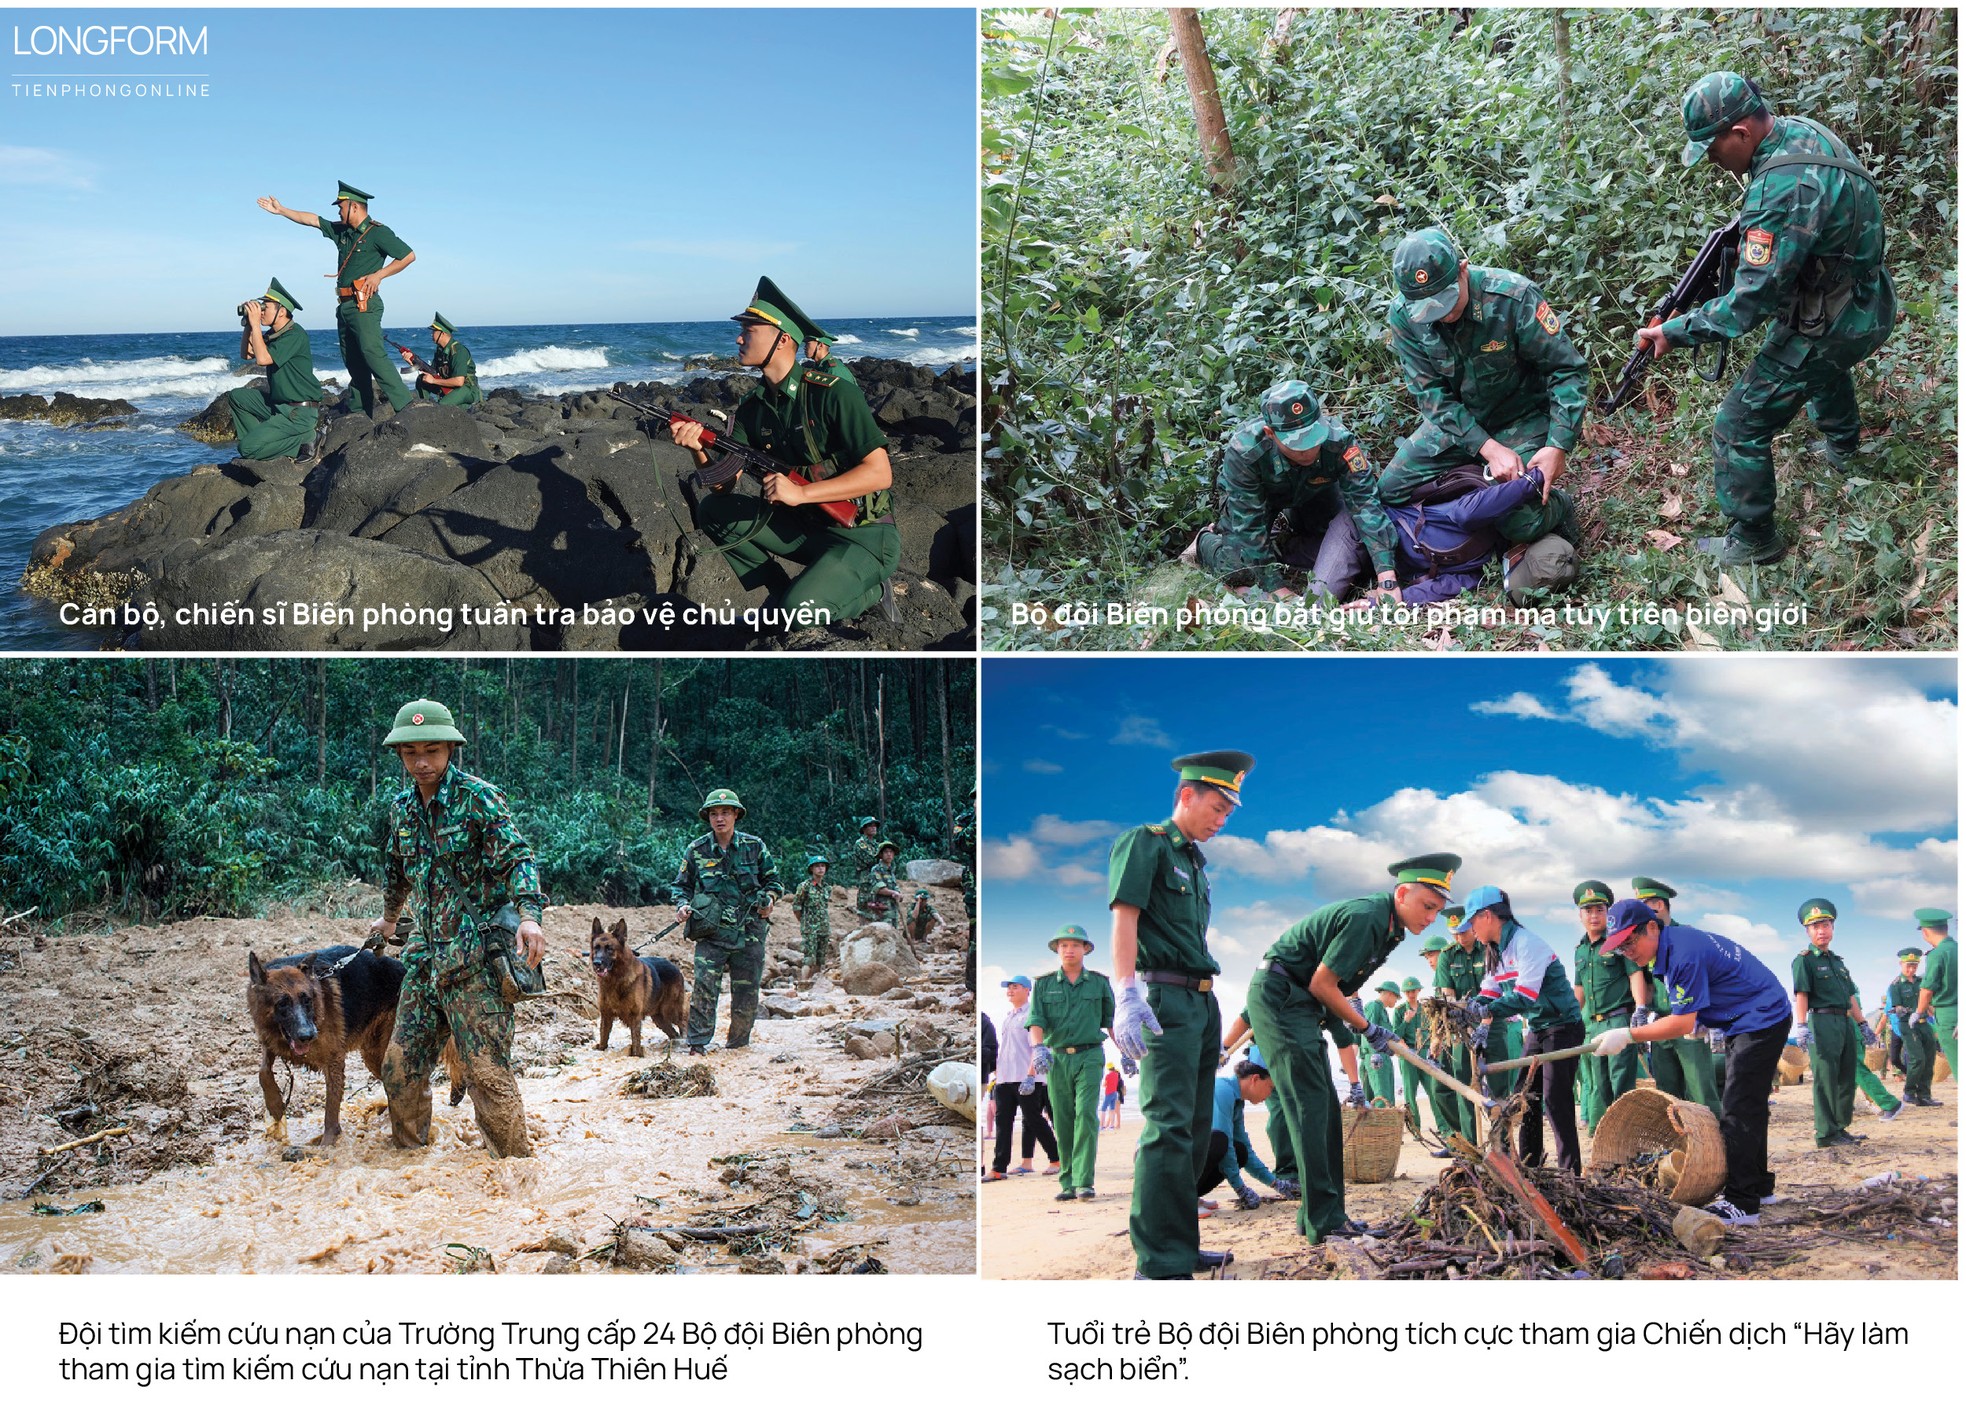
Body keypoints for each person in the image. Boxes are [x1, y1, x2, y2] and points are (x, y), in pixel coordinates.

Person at [1633, 72, 1895, 565]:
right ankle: (1844, 447)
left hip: (1836, 320)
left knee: (1738, 423)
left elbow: (1746, 307)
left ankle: (1754, 541)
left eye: (1712, 150)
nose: (1713, 163)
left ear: (1741, 134)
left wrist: (1673, 330)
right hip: (1866, 299)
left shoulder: (1777, 190)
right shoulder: (1802, 132)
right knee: (1814, 358)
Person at [1247, 853, 1460, 1245]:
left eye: (1437, 910)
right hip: (1284, 998)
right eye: (1427, 906)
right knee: (1311, 1108)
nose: (1431, 918)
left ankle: (1323, 1216)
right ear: (1401, 893)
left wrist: (1357, 1019)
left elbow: (1338, 987)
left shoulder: (1391, 928)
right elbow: (1323, 984)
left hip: (1301, 1002)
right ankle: (1324, 1223)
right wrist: (1369, 1027)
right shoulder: (1368, 918)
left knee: (1324, 1109)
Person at [666, 277, 899, 625]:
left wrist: (802, 493)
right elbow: (723, 486)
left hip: (863, 535)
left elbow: (880, 473)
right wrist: (698, 449)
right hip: (807, 529)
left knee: (799, 612)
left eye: (751, 329)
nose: (739, 337)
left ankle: (874, 592)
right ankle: (779, 593)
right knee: (715, 510)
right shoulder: (752, 408)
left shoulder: (833, 394)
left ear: (784, 339)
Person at [370, 698, 545, 1158]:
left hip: (475, 964)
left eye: (431, 750)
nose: (421, 762)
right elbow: (398, 871)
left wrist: (529, 915)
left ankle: (514, 1175)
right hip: (426, 961)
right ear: (400, 756)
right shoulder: (401, 810)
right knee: (399, 1067)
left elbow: (518, 858)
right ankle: (411, 1165)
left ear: (450, 749)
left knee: (487, 1074)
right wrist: (390, 918)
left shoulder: (478, 798)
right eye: (411, 753)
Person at [1109, 750, 1253, 1279]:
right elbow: (1126, 918)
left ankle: (1181, 1243)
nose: (1220, 821)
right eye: (1215, 808)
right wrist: (1126, 993)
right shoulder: (1145, 843)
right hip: (1163, 998)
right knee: (1167, 1128)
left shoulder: (1195, 864)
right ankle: (1157, 1262)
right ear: (1185, 795)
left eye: (1228, 815)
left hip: (1201, 1001)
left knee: (1193, 1131)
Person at [1378, 227, 1583, 554]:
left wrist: (1559, 444)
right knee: (1389, 491)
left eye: (1444, 301)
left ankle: (1558, 505)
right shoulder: (1404, 315)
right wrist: (1486, 448)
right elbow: (1431, 396)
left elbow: (1565, 369)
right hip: (1459, 424)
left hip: (1523, 417)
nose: (1442, 315)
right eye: (1429, 309)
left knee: (1519, 522)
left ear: (1463, 269)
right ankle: (1477, 490)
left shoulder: (1512, 297)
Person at [1591, 899, 1793, 1225]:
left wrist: (1628, 1035)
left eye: (1630, 941)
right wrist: (1704, 1020)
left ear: (1653, 927)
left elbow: (1682, 1023)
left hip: (1761, 1017)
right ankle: (1758, 1187)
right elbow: (1703, 998)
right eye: (1620, 947)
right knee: (1749, 1105)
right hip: (1751, 1015)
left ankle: (1742, 1202)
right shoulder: (1674, 948)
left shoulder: (1682, 952)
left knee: (1739, 1107)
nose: (1627, 951)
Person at [1183, 380, 1400, 604]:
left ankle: (1284, 541)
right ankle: (1204, 542)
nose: (1308, 450)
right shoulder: (1245, 452)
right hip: (1260, 500)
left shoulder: (1339, 442)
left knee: (1343, 540)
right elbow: (1249, 527)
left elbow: (1365, 504)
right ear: (1270, 433)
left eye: (1313, 437)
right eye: (1297, 442)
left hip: (1313, 493)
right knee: (1239, 569)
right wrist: (1277, 588)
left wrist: (1386, 576)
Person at [256, 181, 414, 418]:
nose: (338, 211)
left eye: (341, 207)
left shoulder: (378, 232)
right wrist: (282, 210)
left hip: (365, 303)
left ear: (354, 206)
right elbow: (312, 220)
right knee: (352, 359)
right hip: (345, 305)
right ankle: (361, 410)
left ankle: (406, 406)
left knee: (372, 352)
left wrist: (379, 275)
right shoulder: (343, 231)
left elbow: (408, 255)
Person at [1459, 885, 1586, 1172]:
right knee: (1524, 1099)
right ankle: (1530, 1166)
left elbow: (1524, 997)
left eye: (1473, 922)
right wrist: (1465, 1009)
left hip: (1564, 1026)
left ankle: (1571, 1172)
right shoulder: (1496, 952)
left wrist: (1487, 1010)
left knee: (1556, 1100)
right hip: (1540, 1028)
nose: (1471, 930)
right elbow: (1488, 992)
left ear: (1488, 916)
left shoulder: (1528, 943)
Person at [673, 788, 782, 1054]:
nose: (719, 818)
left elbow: (774, 883)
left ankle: (737, 1048)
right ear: (708, 817)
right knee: (704, 989)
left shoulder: (754, 846)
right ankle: (697, 1046)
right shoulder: (696, 850)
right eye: (714, 813)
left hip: (750, 932)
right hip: (711, 932)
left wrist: (769, 901)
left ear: (735, 814)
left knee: (746, 993)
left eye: (725, 812)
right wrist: (682, 905)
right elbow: (680, 887)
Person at [1027, 924, 1117, 1201]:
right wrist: (1038, 1049)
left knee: (1087, 1116)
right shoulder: (1043, 984)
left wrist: (1126, 1052)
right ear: (1057, 949)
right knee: (1063, 1119)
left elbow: (1111, 1022)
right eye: (1064, 945)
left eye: (1075, 945)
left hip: (1090, 1055)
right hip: (1056, 1058)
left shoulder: (1100, 983)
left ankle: (1084, 1181)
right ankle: (1067, 1182)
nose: (1069, 950)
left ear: (1086, 949)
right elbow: (1036, 1021)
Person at [1789, 898, 1880, 1148]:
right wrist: (1801, 1025)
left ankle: (1840, 1127)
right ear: (1807, 931)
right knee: (1826, 1078)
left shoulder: (1838, 962)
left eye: (1826, 924)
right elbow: (1802, 995)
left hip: (1845, 1022)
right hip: (1822, 1022)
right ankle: (1826, 1134)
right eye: (1816, 926)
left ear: (1833, 927)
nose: (1822, 930)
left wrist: (1862, 1024)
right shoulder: (1804, 961)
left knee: (1846, 1076)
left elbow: (1850, 996)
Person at [1632, 877, 1723, 1109]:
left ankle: (1713, 1143)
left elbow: (1710, 977)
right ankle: (1675, 1144)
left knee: (1701, 1091)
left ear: (1658, 905)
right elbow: (1647, 982)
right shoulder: (1646, 941)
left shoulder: (1687, 937)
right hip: (1662, 1026)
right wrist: (1642, 1011)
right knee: (1667, 1094)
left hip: (1691, 1023)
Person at [1572, 879, 1647, 1133]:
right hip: (1593, 1024)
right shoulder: (1580, 950)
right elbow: (1579, 989)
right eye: (1588, 911)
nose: (1594, 916)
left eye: (1600, 910)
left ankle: (1626, 1137)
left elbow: (1634, 974)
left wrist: (1640, 1008)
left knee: (1621, 1084)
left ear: (1608, 913)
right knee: (1599, 1085)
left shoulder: (1618, 941)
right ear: (1580, 915)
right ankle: (1603, 1137)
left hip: (1618, 1019)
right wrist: (1571, 1019)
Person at [226, 277, 325, 461]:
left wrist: (256, 324)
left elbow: (263, 359)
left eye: (266, 307)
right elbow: (247, 354)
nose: (261, 311)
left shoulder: (295, 334)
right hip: (279, 405)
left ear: (281, 312)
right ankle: (260, 443)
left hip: (298, 413)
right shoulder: (275, 334)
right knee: (237, 397)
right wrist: (249, 324)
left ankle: (307, 439)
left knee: (247, 450)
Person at [984, 975, 1060, 1181]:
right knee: (1003, 1124)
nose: (1010, 990)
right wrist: (997, 1075)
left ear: (1027, 990)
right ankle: (998, 1168)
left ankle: (1056, 1159)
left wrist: (1030, 1076)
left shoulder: (1032, 1016)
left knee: (1034, 1120)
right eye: (1008, 987)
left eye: (1015, 987)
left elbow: (1037, 1048)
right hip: (1004, 1079)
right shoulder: (1008, 1016)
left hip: (1027, 1078)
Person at [1203, 1056, 1285, 1211]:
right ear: (1255, 1079)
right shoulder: (1222, 1090)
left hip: (1193, 1154)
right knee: (1220, 1141)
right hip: (1175, 1157)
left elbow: (1245, 1148)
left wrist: (1275, 1183)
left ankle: (1192, 1195)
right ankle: (1182, 1199)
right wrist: (1240, 1188)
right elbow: (1224, 1144)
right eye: (1270, 1087)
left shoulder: (1237, 1101)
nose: (1270, 1094)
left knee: (1241, 1151)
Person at [1888, 947, 1939, 1107]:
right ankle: (1909, 1092)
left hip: (1924, 1025)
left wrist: (1936, 1020)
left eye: (1914, 966)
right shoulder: (1895, 985)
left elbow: (1929, 1004)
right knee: (1918, 1059)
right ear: (1901, 964)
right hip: (1907, 1025)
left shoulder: (1922, 983)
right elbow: (1897, 1006)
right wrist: (1899, 1009)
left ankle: (1924, 1095)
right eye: (1908, 965)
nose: (1911, 969)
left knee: (1929, 1060)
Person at [1912, 908, 1958, 1080]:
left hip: (1949, 1015)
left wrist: (1919, 1012)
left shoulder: (1937, 954)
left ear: (1925, 932)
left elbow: (1927, 989)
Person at [410, 312, 481, 406]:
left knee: (443, 405)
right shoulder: (440, 350)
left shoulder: (458, 351)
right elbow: (432, 372)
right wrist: (412, 361)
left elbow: (459, 382)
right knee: (422, 379)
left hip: (466, 388)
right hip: (449, 385)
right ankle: (424, 404)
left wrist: (434, 381)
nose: (431, 334)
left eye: (434, 331)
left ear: (442, 333)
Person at [1392, 975, 1431, 1130]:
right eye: (1407, 992)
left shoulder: (1427, 1009)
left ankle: (1444, 1128)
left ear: (1419, 990)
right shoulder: (1400, 1011)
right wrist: (1406, 1021)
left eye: (1413, 990)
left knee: (1433, 1090)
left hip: (1425, 1053)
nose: (1411, 994)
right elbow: (1395, 1035)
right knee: (1410, 1093)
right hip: (1407, 1054)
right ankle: (1415, 1129)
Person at [1360, 982, 1402, 1107]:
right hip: (1376, 1057)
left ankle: (1382, 1126)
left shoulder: (1383, 1011)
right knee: (1381, 1099)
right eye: (1396, 997)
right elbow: (1366, 1032)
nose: (1396, 1001)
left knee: (1386, 1098)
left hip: (1384, 1056)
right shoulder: (1374, 1006)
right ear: (1389, 994)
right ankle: (1384, 1127)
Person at [791, 854, 832, 981]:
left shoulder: (826, 887)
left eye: (823, 866)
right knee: (809, 958)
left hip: (823, 927)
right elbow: (797, 907)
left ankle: (816, 984)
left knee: (820, 958)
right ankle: (803, 984)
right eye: (817, 866)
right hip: (810, 927)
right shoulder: (805, 886)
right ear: (811, 869)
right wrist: (804, 922)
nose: (820, 869)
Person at [859, 841, 903, 925]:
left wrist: (899, 894)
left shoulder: (891, 871)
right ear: (881, 855)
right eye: (886, 852)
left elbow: (895, 887)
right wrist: (894, 893)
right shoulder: (877, 869)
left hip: (893, 910)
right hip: (882, 911)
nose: (889, 854)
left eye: (891, 852)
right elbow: (879, 889)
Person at [1100, 1063, 1125, 1130]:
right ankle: (1111, 1126)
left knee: (1103, 1109)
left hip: (1108, 1093)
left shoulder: (1108, 1076)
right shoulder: (1116, 1075)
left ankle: (1101, 1126)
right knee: (1112, 1109)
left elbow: (1104, 1084)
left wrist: (1105, 1084)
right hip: (1115, 1093)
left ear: (1108, 1068)